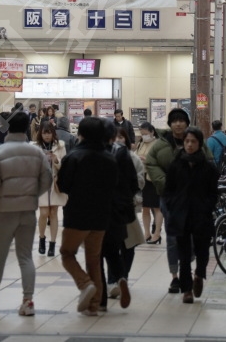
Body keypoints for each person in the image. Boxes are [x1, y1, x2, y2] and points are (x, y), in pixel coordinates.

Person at [0, 110, 52, 316]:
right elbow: (47, 180)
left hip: (3, 212)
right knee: (26, 257)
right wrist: (32, 195)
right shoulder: (36, 152)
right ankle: (28, 301)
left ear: (7, 127)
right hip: (28, 212)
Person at [145, 108, 213, 294]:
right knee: (174, 237)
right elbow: (151, 163)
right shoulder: (161, 144)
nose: (178, 124)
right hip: (171, 199)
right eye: (174, 120)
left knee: (194, 239)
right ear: (169, 124)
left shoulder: (197, 141)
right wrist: (165, 184)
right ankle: (176, 276)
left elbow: (209, 164)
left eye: (181, 120)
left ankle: (191, 269)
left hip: (196, 199)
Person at [56, 116, 118, 317]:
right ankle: (93, 306)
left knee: (67, 253)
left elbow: (64, 186)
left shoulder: (73, 156)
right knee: (94, 259)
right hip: (101, 215)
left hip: (78, 214)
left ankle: (84, 284)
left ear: (80, 134)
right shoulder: (110, 158)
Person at [164, 127, 220, 303]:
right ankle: (186, 289)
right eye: (187, 141)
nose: (189, 145)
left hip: (201, 214)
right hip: (181, 214)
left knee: (203, 249)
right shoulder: (176, 164)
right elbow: (169, 189)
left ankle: (199, 274)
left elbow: (213, 192)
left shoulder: (208, 167)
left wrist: (207, 206)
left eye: (193, 141)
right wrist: (172, 206)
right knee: (184, 253)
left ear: (199, 143)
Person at [99, 119, 141, 312]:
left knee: (103, 250)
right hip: (124, 208)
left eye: (121, 136)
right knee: (123, 245)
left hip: (100, 210)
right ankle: (120, 278)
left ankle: (105, 291)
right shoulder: (126, 155)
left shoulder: (95, 154)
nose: (118, 140)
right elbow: (135, 182)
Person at [34, 121, 67, 257]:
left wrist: (56, 160)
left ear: (53, 133)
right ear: (40, 134)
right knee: (43, 213)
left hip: (55, 183)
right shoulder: (35, 147)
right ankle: (42, 238)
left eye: (49, 133)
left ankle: (52, 244)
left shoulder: (60, 146)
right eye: (44, 133)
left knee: (53, 213)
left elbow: (64, 165)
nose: (47, 136)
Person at [135, 122, 164, 244]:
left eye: (145, 133)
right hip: (142, 178)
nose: (143, 136)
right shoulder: (141, 143)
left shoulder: (158, 144)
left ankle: (157, 234)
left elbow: (161, 161)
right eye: (141, 134)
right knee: (145, 207)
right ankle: (146, 233)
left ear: (152, 132)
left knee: (157, 207)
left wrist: (146, 160)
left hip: (153, 178)